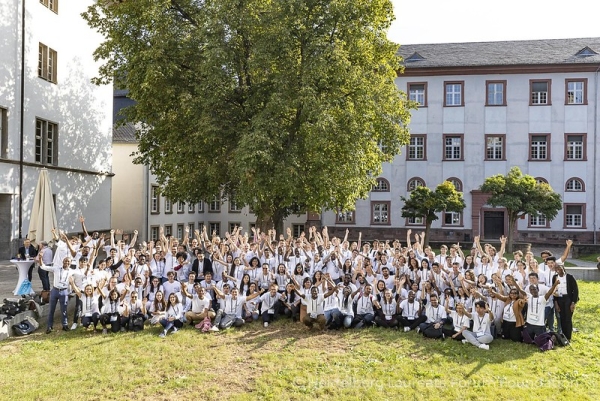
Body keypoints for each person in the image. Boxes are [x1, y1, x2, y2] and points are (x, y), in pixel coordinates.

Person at [40, 257, 73, 333]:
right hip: (55, 290)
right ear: (63, 261)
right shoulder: (56, 269)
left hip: (64, 291)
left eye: (68, 262)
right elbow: (43, 267)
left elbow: (82, 273)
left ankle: (65, 325)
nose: (66, 263)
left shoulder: (71, 271)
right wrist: (40, 257)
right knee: (51, 309)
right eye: (65, 261)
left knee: (63, 310)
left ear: (70, 263)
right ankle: (49, 326)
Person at [552, 264, 579, 341]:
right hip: (559, 299)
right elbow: (554, 290)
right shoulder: (555, 277)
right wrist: (556, 303)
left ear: (563, 268)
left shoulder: (570, 277)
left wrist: (573, 302)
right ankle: (564, 336)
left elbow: (576, 290)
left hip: (568, 299)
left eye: (559, 268)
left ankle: (568, 336)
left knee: (568, 318)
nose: (558, 269)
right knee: (562, 318)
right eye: (556, 268)